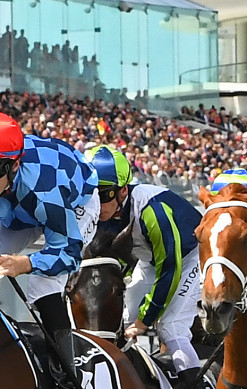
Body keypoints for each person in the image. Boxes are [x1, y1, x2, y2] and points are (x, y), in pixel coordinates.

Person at [0, 110, 97, 389]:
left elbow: (69, 253)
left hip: (72, 201)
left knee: (42, 286)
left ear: (14, 165)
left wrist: (27, 263)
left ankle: (67, 376)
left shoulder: (46, 191)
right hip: (15, 207)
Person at [87, 143, 206, 375]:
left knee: (170, 327)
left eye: (102, 195)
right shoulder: (102, 210)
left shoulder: (152, 209)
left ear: (123, 191)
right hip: (150, 260)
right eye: (88, 193)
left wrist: (145, 319)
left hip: (190, 257)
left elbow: (170, 267)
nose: (95, 203)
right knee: (121, 320)